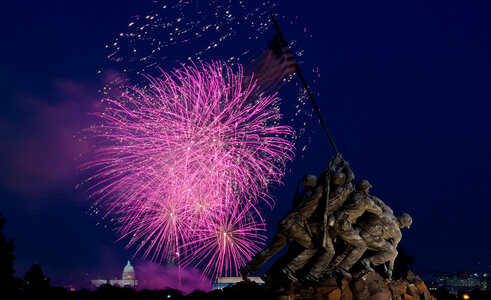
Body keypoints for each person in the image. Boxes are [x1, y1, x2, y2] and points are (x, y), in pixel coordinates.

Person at [239, 157, 340, 282]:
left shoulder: (302, 194)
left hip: (286, 223)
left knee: (271, 250)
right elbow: (324, 183)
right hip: (296, 225)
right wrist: (332, 167)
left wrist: (329, 168)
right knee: (313, 247)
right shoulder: (315, 195)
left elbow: (320, 182)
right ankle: (289, 269)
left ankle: (247, 268)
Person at [303, 158, 355, 282]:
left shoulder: (325, 189)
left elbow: (325, 178)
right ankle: (312, 275)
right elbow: (351, 178)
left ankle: (306, 271)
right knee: (329, 251)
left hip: (312, 221)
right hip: (323, 224)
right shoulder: (343, 192)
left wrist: (333, 166)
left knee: (315, 247)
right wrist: (346, 166)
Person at [331, 179, 383, 278]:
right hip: (343, 224)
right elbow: (379, 211)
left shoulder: (352, 195)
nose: (368, 190)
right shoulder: (366, 200)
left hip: (334, 220)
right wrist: (374, 201)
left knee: (347, 247)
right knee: (362, 246)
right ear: (364, 190)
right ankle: (342, 269)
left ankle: (329, 269)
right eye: (367, 189)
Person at [358, 213, 412, 279]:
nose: (403, 227)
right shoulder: (398, 233)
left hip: (359, 228)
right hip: (368, 237)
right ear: (403, 224)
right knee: (393, 252)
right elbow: (392, 251)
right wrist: (390, 269)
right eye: (404, 226)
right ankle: (367, 261)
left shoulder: (389, 215)